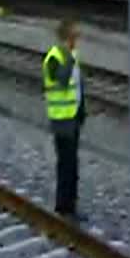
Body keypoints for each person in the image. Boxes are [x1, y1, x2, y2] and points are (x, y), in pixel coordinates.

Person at [43, 18, 87, 220]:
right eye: (74, 36)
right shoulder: (54, 58)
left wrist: (82, 109)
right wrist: (68, 56)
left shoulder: (72, 56)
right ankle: (63, 205)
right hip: (61, 119)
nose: (77, 40)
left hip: (73, 116)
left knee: (72, 164)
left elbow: (78, 87)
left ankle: (71, 205)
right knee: (66, 163)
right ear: (66, 37)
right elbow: (62, 81)